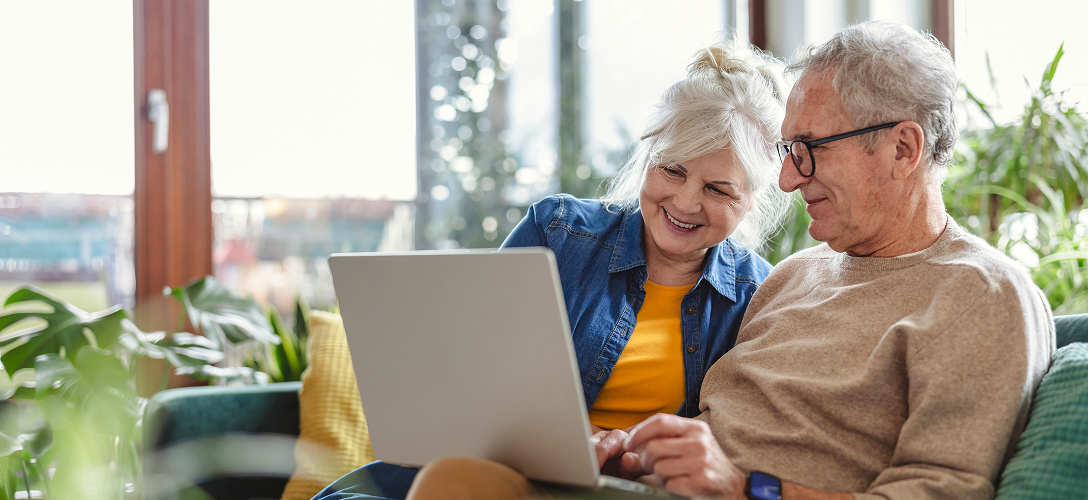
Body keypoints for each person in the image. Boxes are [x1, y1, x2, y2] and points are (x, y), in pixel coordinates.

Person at [403, 20, 1056, 500]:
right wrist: (633, 451)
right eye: (787, 153)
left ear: (903, 148)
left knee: (456, 484)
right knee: (455, 479)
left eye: (808, 151)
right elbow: (712, 422)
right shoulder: (798, 275)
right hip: (638, 487)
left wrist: (750, 486)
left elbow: (940, 491)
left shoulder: (983, 293)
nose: (790, 185)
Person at [311, 38, 792, 500]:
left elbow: (736, 448)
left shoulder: (760, 294)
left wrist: (628, 454)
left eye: (719, 189)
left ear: (752, 201)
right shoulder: (558, 233)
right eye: (672, 170)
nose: (685, 202)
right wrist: (587, 439)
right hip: (501, 472)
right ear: (647, 157)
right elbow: (474, 384)